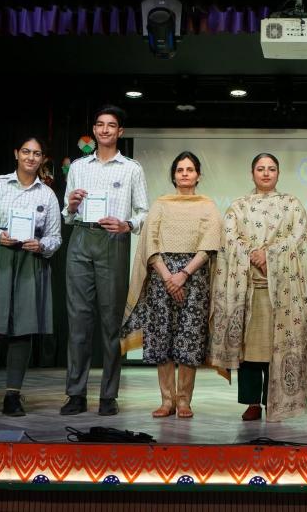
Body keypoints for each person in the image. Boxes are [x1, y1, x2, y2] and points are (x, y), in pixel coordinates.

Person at [209, 153, 307, 422]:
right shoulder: (239, 207)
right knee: (250, 351)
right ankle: (252, 403)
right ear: (252, 173)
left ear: (278, 173)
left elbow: (298, 238)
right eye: (260, 169)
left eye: (271, 169)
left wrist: (268, 254)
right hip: (249, 290)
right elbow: (229, 239)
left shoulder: (292, 205)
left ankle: (274, 401)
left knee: (277, 349)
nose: (266, 173)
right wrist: (252, 253)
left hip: (283, 294)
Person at [60, 105, 149, 416]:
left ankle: (109, 396)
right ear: (94, 130)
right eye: (100, 124)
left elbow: (144, 212)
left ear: (120, 131)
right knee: (78, 322)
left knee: (111, 322)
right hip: (81, 238)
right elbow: (67, 213)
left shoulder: (131, 168)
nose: (105, 129)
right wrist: (72, 206)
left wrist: (127, 225)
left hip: (113, 241)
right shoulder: (79, 166)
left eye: (111, 125)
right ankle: (75, 394)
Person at [0, 136, 62, 417]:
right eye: (26, 152)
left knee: (23, 329)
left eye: (37, 154)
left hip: (30, 262)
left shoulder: (47, 195)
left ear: (43, 159)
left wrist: (40, 245)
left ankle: (13, 397)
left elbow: (55, 237)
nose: (31, 157)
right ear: (16, 153)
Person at [120, 152, 222, 418]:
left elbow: (210, 243)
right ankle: (167, 400)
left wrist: (184, 274)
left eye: (190, 169)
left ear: (198, 175)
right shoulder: (160, 204)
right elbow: (150, 243)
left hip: (195, 278)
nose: (185, 174)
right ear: (174, 176)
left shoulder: (207, 205)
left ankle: (184, 400)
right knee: (161, 336)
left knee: (190, 337)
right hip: (161, 277)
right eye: (180, 170)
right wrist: (168, 277)